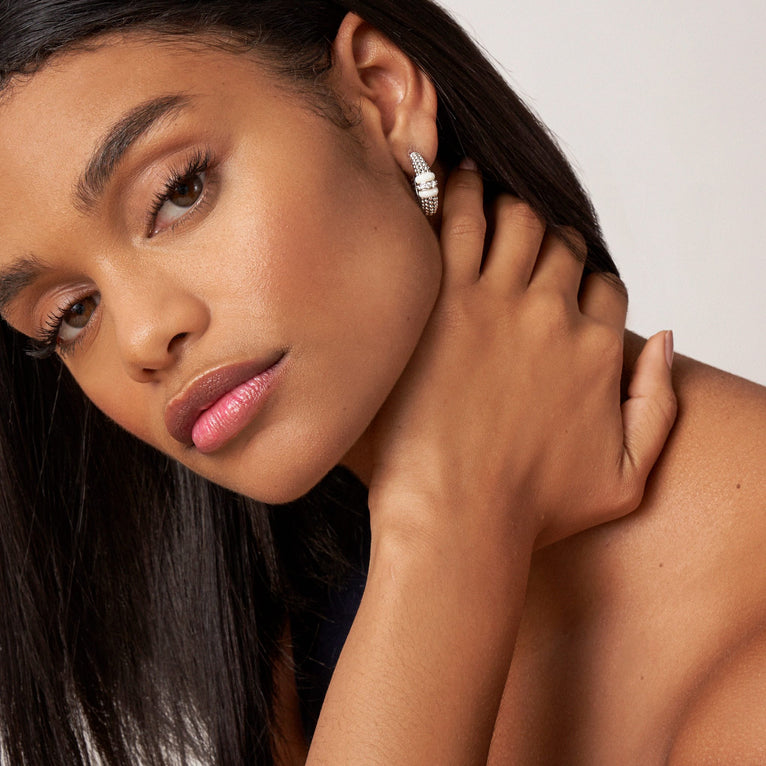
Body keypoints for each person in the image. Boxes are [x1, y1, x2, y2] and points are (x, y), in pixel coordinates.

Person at [0, 2, 761, 765]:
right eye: (71, 313)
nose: (139, 337)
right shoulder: (314, 615)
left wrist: (444, 522)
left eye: (180, 191)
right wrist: (446, 527)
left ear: (381, 93)